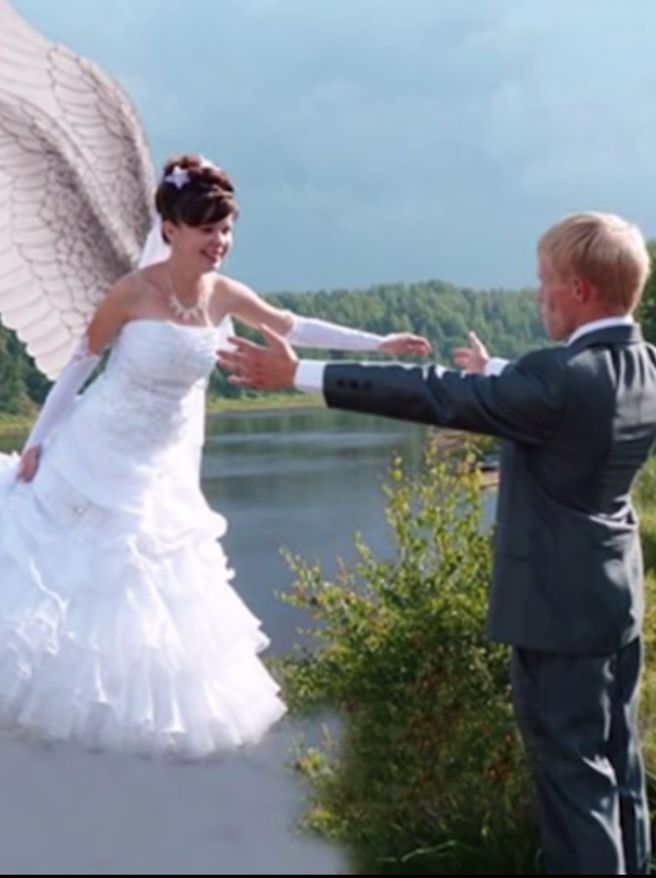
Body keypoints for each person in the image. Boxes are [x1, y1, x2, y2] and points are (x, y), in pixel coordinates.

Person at [0, 153, 431, 760]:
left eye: (227, 229)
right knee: (65, 568)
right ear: (171, 229)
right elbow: (78, 368)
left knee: (144, 589)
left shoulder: (222, 296)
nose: (220, 242)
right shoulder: (131, 292)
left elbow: (292, 327)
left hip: (161, 468)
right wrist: (34, 444)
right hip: (99, 448)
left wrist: (380, 343)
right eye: (208, 229)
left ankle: (118, 720)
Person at [217, 211, 656, 872]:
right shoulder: (643, 365)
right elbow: (566, 393)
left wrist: (303, 375)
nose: (539, 295)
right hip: (614, 602)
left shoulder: (556, 381)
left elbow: (434, 395)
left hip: (556, 614)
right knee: (620, 770)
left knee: (574, 784)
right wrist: (498, 369)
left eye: (545, 283)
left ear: (579, 291)